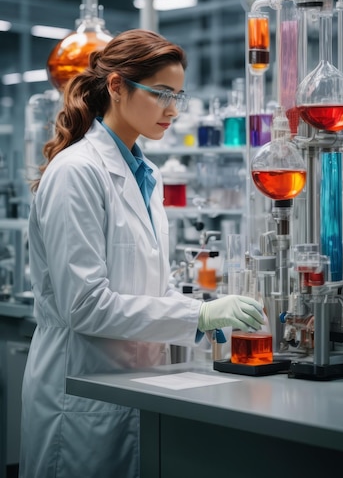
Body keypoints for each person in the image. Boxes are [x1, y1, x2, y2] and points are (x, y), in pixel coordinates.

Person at [19, 28, 264, 478]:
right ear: (116, 86)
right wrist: (199, 317)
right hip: (81, 391)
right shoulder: (77, 172)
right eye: (161, 94)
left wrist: (200, 314)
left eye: (179, 96)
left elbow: (154, 285)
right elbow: (86, 305)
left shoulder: (144, 173)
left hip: (135, 387)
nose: (173, 109)